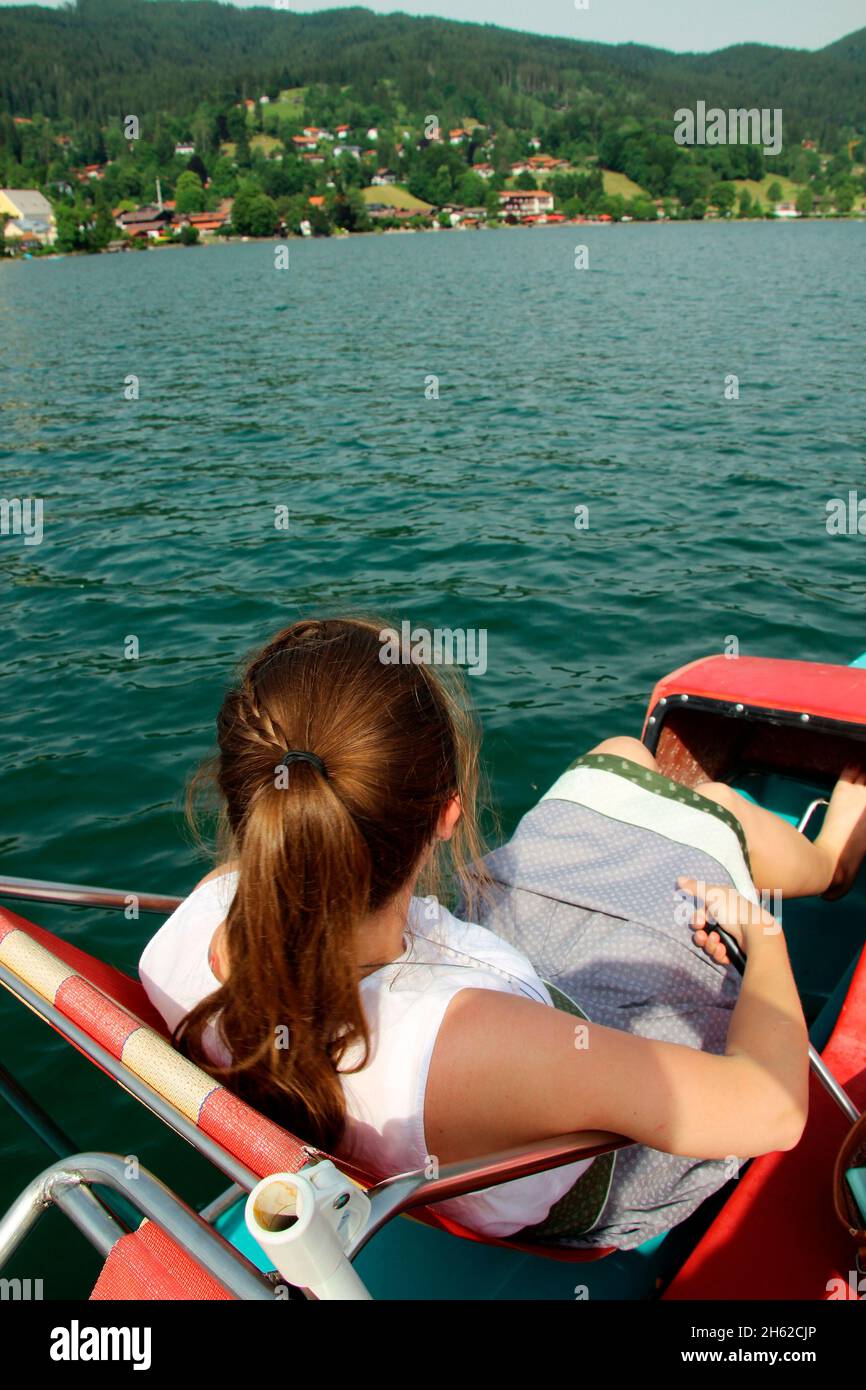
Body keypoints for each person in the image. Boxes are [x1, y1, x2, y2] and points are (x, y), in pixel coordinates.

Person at [139, 617, 866, 1248]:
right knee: (716, 809)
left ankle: (753, 834)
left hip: (469, 1105)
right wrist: (765, 938)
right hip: (571, 1169)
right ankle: (831, 864)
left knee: (621, 755)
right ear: (446, 817)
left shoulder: (184, 940)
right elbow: (772, 1110)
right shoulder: (471, 1042)